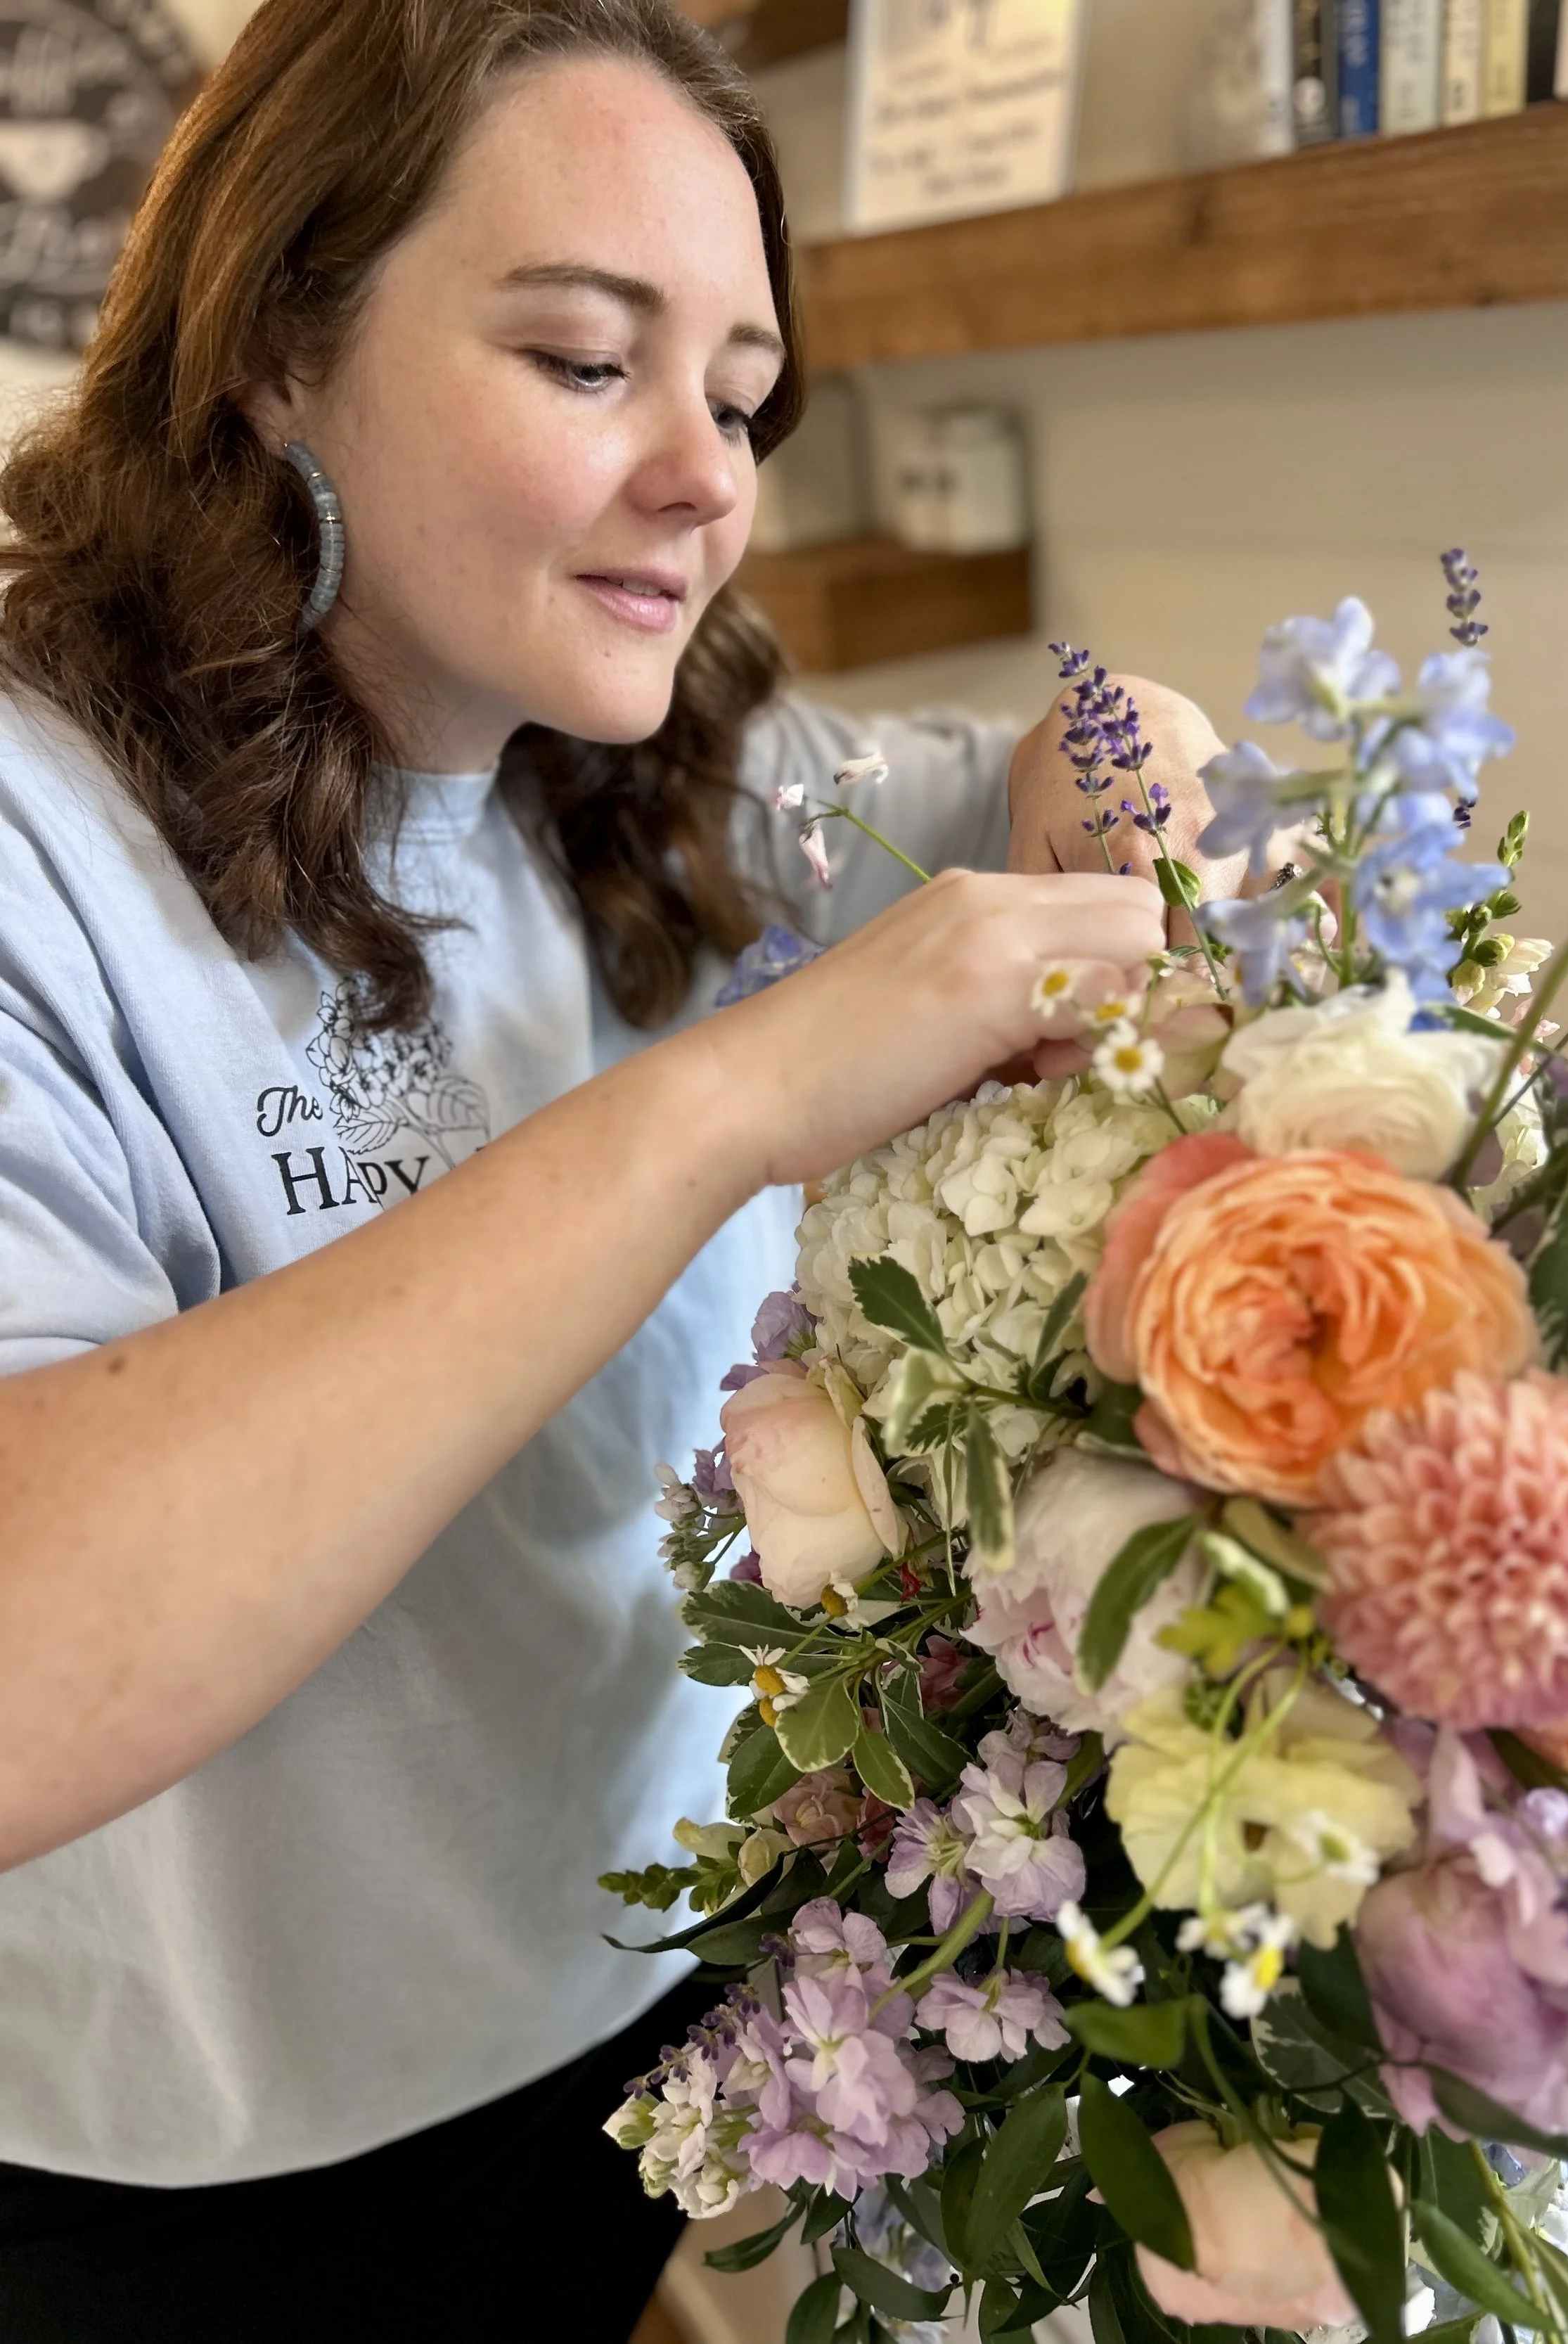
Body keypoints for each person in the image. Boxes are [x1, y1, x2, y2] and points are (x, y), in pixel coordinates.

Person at [0, 1, 1235, 2334]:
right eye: (589, 362)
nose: (706, 476)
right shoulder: (37, 842)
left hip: (661, 2001)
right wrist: (725, 1098)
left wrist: (1139, 796)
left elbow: (1099, 738)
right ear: (275, 343)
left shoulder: (648, 760)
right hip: (208, 2160)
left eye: (745, 399)